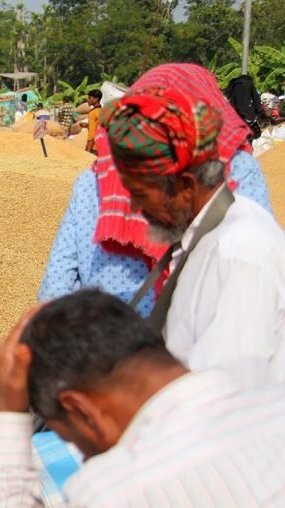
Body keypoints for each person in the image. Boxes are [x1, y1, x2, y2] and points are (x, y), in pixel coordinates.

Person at [0, 289, 285, 506]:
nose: (86, 460)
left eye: (76, 442)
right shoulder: (273, 402)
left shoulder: (114, 490)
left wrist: (7, 410)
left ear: (81, 409)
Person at [39, 64, 272, 318]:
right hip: (203, 332)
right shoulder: (235, 168)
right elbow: (258, 272)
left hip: (105, 335)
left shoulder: (92, 180)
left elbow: (55, 288)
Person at [102, 85, 285, 387]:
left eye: (140, 193)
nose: (134, 207)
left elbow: (225, 395)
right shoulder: (203, 239)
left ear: (185, 185)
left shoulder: (238, 254)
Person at [84, 89, 102, 154]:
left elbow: (92, 134)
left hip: (94, 147)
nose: (88, 100)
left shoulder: (93, 113)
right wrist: (87, 125)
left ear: (96, 99)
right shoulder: (102, 110)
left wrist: (88, 150)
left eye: (90, 98)